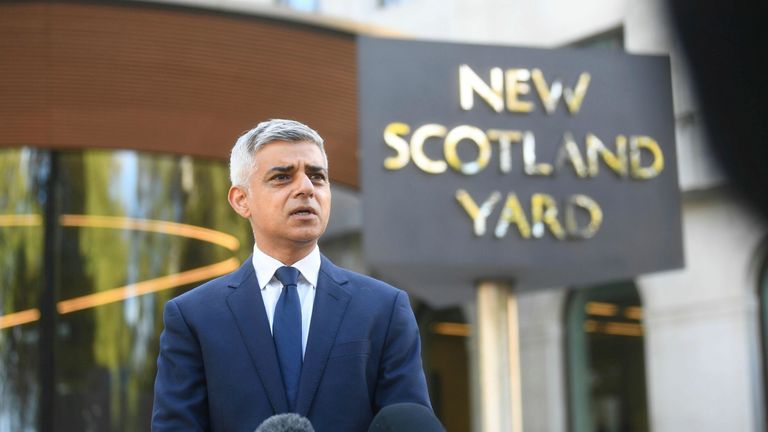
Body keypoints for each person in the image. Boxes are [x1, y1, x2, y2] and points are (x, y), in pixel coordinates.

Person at [151, 119, 431, 431]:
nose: (306, 188)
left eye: (317, 176)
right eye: (282, 177)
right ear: (242, 200)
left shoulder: (385, 309)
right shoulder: (193, 317)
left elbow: (407, 422)